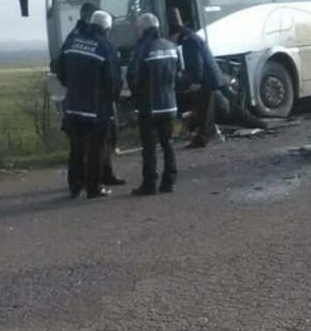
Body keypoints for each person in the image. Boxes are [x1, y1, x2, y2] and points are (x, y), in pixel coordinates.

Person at [57, 10, 122, 199]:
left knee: (76, 148)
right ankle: (94, 188)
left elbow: (61, 70)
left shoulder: (72, 41)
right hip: (96, 108)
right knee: (96, 149)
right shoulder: (106, 46)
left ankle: (74, 185)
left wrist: (74, 87)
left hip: (73, 105)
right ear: (107, 28)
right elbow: (113, 79)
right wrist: (112, 98)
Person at [128, 13, 181, 196]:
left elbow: (134, 78)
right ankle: (169, 182)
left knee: (149, 146)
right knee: (168, 143)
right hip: (170, 104)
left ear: (144, 28)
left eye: (138, 28)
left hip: (150, 106)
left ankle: (149, 184)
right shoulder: (171, 46)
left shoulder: (143, 49)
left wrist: (135, 100)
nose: (137, 31)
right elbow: (179, 73)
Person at [169, 19, 225, 148]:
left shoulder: (189, 41)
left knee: (204, 110)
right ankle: (207, 134)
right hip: (209, 78)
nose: (174, 41)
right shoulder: (192, 38)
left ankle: (202, 138)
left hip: (205, 81)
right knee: (208, 109)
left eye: (173, 38)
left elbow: (196, 64)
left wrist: (195, 82)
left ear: (176, 34)